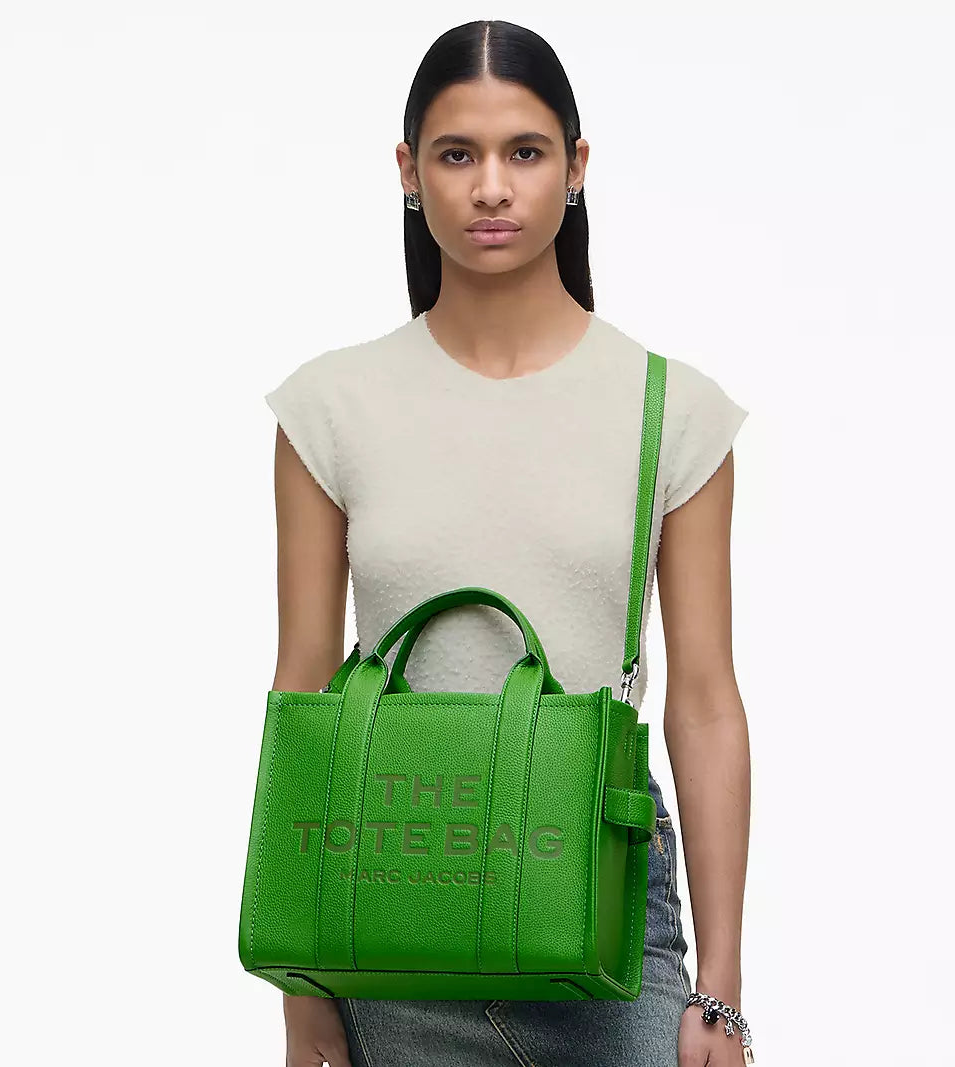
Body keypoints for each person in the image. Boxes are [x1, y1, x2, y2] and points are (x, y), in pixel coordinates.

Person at [265, 19, 752, 1067]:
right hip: (390, 899)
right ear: (409, 171)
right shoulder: (330, 408)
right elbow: (302, 692)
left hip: (601, 905)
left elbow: (705, 700)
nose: (491, 187)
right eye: (457, 154)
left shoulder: (671, 412)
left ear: (575, 167)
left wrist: (720, 987)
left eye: (524, 152)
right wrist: (301, 993)